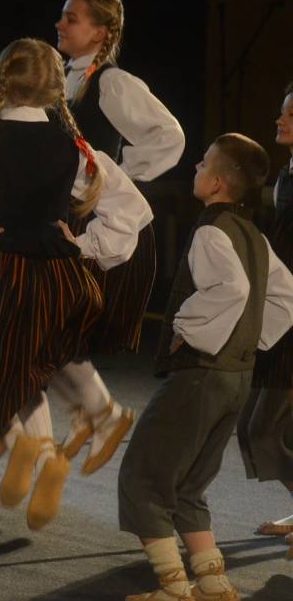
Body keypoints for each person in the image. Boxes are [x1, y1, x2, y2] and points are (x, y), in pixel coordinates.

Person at [0, 38, 150, 530]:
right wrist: (89, 247)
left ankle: (42, 451)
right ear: (55, 90)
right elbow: (133, 209)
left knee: (5, 360)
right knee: (33, 358)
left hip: (5, 273)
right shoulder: (76, 150)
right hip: (60, 276)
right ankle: (53, 443)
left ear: (3, 84)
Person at [118, 133, 293, 601]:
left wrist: (186, 329)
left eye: (201, 164)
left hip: (201, 374)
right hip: (237, 375)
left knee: (143, 478)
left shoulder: (212, 229)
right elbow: (286, 295)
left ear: (216, 183)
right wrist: (252, 339)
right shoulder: (254, 234)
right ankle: (213, 582)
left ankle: (174, 587)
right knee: (191, 485)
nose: (194, 168)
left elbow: (231, 289)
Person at [50, 0, 185, 476]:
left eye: (73, 19)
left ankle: (103, 413)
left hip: (101, 220)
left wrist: (113, 172)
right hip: (66, 213)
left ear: (101, 32)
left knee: (56, 322)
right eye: (62, 17)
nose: (61, 25)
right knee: (47, 321)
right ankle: (92, 412)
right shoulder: (63, 79)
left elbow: (168, 136)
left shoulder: (111, 83)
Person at [238, 83, 293, 549]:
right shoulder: (287, 173)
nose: (280, 120)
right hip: (280, 315)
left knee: (264, 428)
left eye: (289, 114)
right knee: (259, 428)